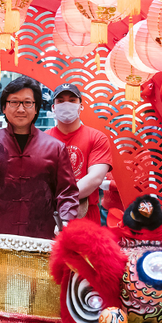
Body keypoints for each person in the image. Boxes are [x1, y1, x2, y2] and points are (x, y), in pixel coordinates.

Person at [0, 76, 78, 238]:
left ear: (36, 108)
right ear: (4, 108)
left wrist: (66, 219)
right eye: (14, 102)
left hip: (42, 236)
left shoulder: (55, 148)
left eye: (27, 103)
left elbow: (67, 191)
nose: (21, 109)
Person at [45, 83, 112, 223]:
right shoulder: (42, 140)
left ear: (81, 106)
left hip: (86, 213)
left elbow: (95, 178)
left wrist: (61, 198)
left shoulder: (97, 138)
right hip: (50, 214)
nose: (66, 104)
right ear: (53, 108)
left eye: (72, 100)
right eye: (61, 101)